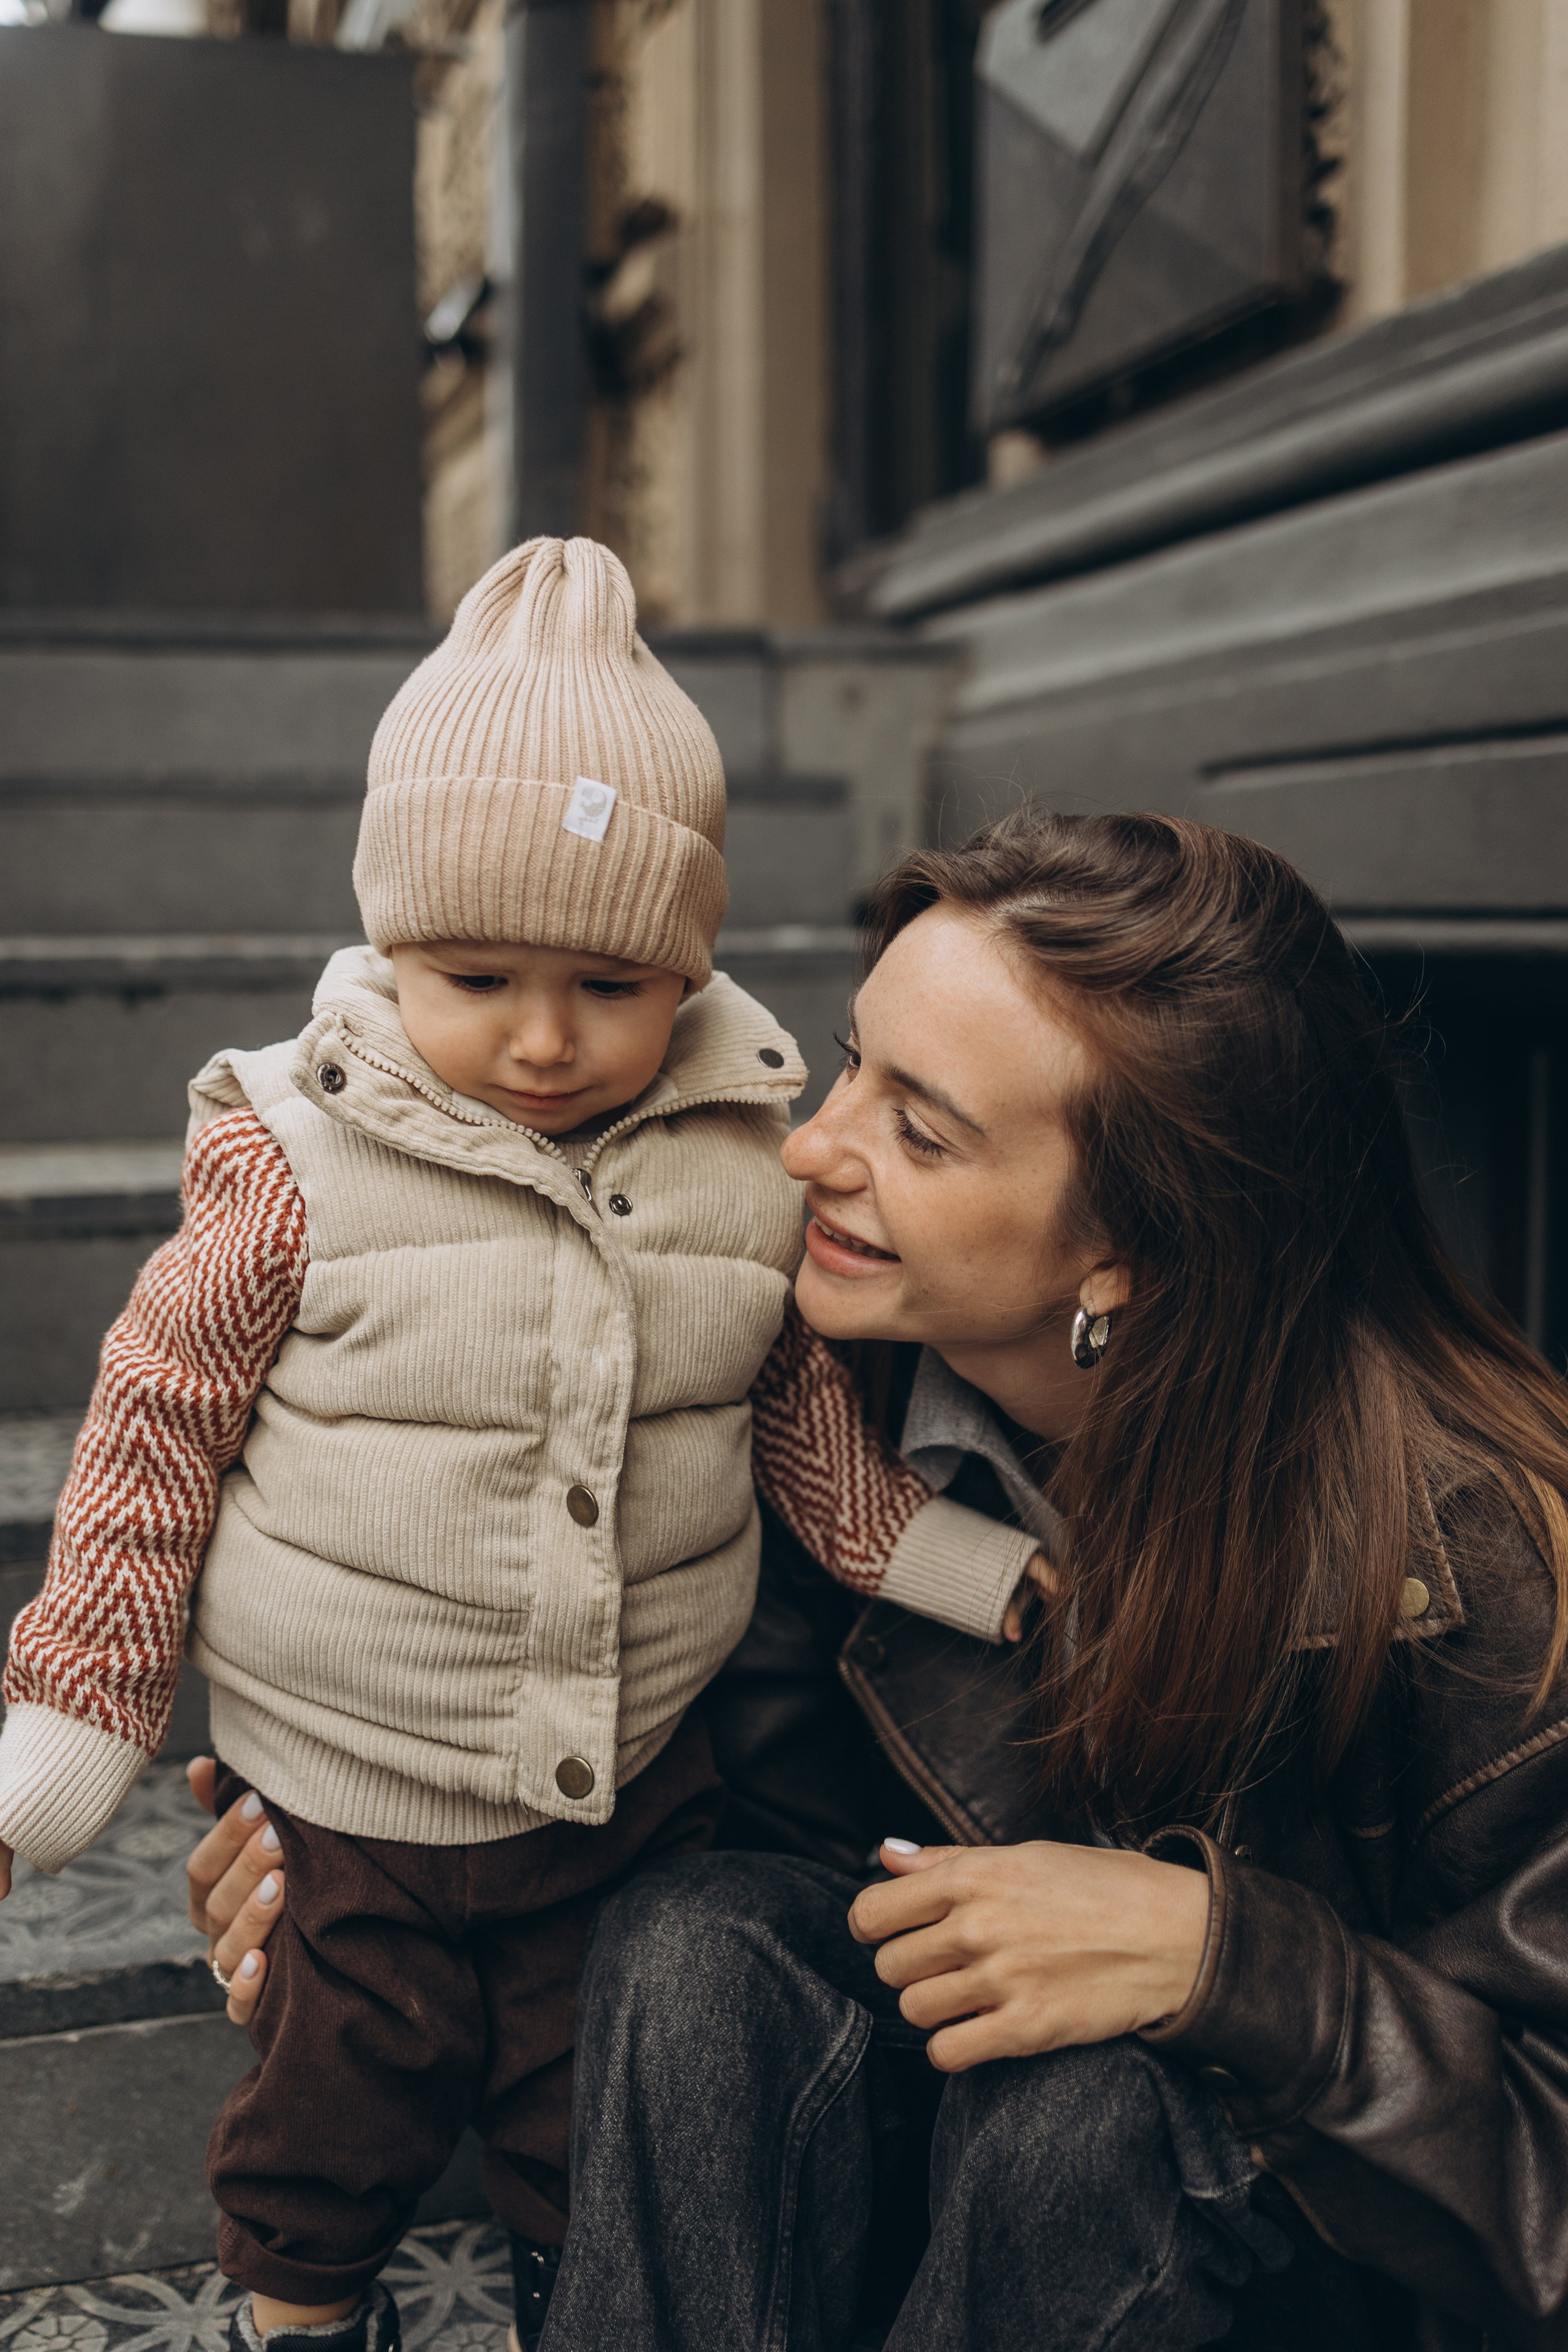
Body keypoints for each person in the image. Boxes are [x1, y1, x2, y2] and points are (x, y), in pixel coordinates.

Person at [212, 809, 1568, 2350]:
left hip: (1240, 2252)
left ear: (1136, 1246)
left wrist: (1224, 1963)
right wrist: (353, 1876)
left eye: (919, 1132)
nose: (808, 1144)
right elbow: (644, 1834)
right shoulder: (803, 1404)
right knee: (698, 1943)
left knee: (1081, 2124)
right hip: (883, 2202)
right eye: (850, 1061)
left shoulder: (1478, 1553)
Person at [0, 542, 1039, 2352]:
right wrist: (75, 1724)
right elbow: (150, 1443)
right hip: (344, 1784)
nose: (546, 1040)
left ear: (693, 966)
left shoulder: (749, 1157)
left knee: (592, 2107)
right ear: (387, 942)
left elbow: (797, 1433)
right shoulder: (292, 1159)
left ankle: (590, 2293)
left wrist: (962, 1564)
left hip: (627, 1779)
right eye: (475, 976)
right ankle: (300, 2315)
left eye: (614, 986)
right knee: (336, 2097)